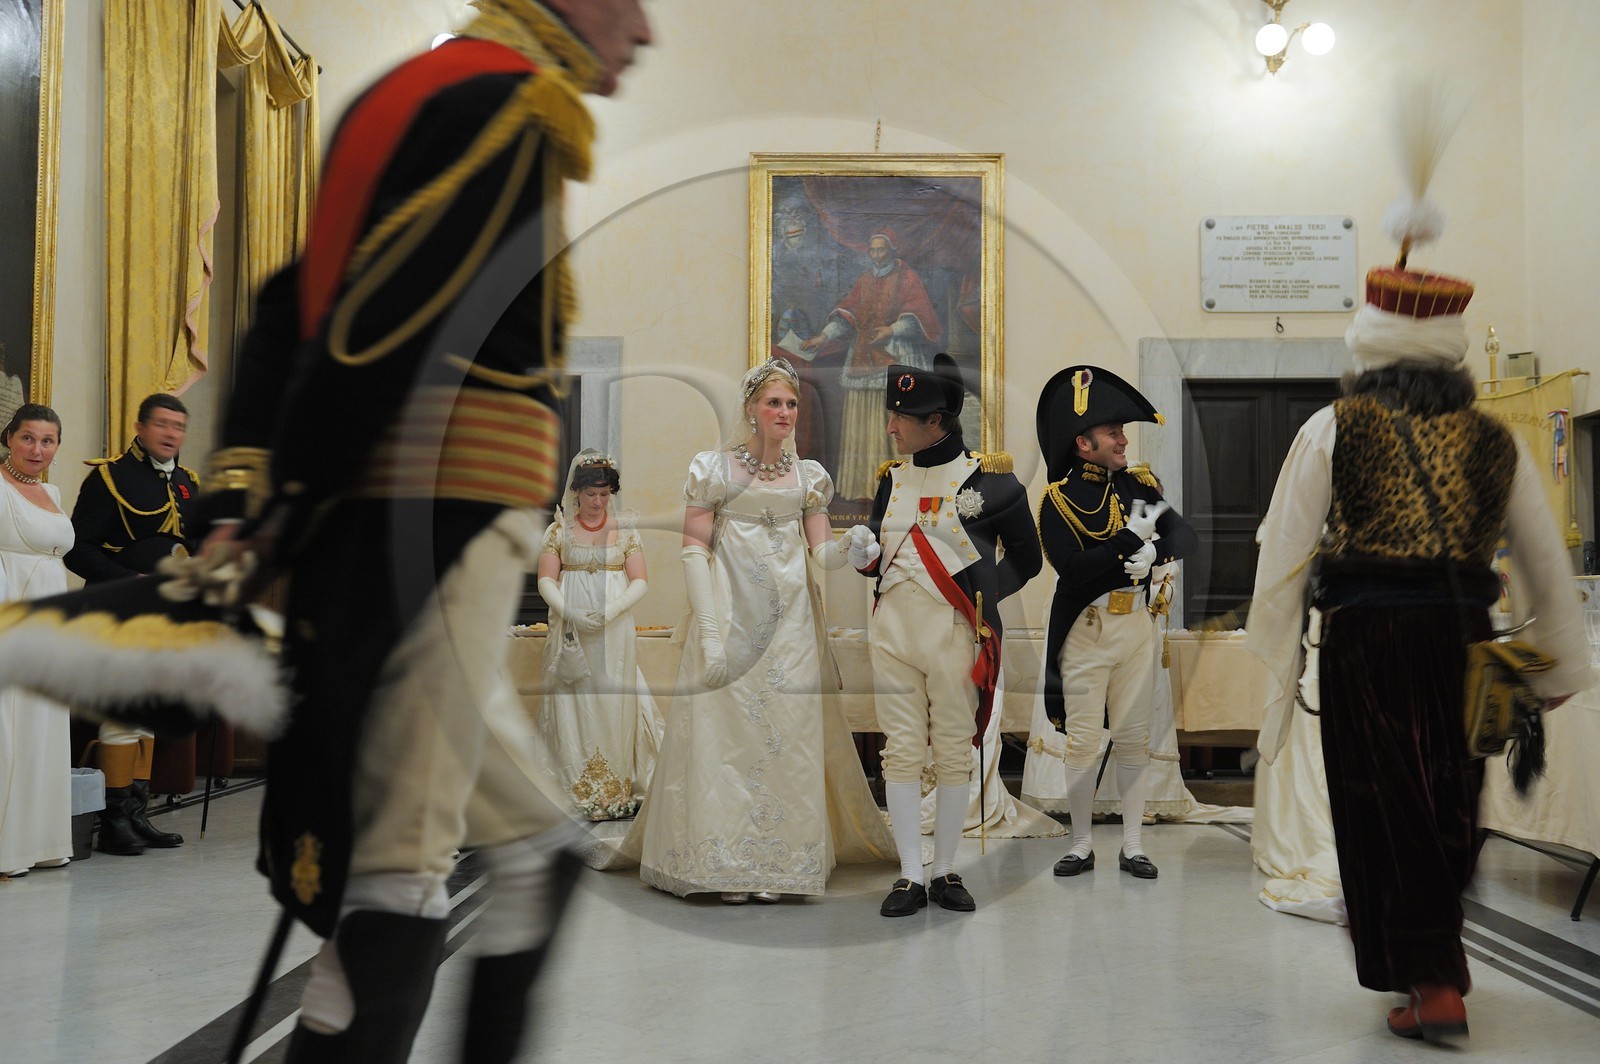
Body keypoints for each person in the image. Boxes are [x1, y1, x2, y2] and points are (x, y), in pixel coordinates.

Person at [202, 2, 654, 1060]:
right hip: (435, 519)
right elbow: (377, 324)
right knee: (402, 858)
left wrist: (251, 482)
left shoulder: (409, 91)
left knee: (520, 832)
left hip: (405, 512)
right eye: (632, 6)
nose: (644, 35)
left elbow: (295, 301)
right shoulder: (508, 104)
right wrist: (288, 505)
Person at [1245, 262, 1592, 1042]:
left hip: (1368, 641)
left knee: (1380, 801)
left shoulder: (1334, 425)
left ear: (1371, 350)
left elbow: (1284, 552)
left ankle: (1431, 981)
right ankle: (1431, 967)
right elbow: (1543, 559)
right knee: (1448, 798)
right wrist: (1556, 668)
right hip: (1468, 638)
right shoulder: (1495, 438)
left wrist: (1277, 653)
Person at [630, 356, 895, 903]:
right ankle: (725, 864)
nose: (784, 411)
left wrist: (853, 547)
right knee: (725, 735)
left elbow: (821, 555)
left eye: (792, 403)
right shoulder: (713, 470)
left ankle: (777, 863)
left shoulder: (810, 477)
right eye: (773, 401)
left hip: (791, 627)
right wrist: (708, 634)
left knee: (787, 733)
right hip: (729, 617)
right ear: (751, 408)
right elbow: (692, 554)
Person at [852, 353, 1042, 917]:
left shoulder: (994, 482)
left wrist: (981, 605)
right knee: (901, 752)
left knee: (955, 754)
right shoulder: (891, 482)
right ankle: (910, 873)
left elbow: (1027, 560)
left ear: (937, 421)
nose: (890, 426)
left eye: (902, 417)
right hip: (892, 635)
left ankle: (945, 869)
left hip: (956, 634)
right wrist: (864, 557)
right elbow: (885, 555)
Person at [1034, 366, 1196, 882]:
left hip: (1134, 630)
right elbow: (1072, 569)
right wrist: (1128, 544)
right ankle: (1081, 844)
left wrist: (1154, 553)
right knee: (1083, 740)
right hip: (1086, 630)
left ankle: (1132, 844)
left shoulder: (1138, 487)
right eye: (1112, 432)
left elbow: (1185, 537)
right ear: (1084, 443)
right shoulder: (1058, 499)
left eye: (1122, 431)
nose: (1123, 439)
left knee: (1132, 737)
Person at [64, 392, 195, 854]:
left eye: (178, 426)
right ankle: (114, 820)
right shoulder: (110, 477)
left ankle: (137, 815)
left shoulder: (186, 483)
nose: (170, 433)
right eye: (162, 424)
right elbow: (77, 549)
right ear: (140, 427)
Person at [533, 449, 662, 820]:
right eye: (591, 494)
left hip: (614, 631)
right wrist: (570, 612)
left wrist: (612, 611)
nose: (598, 501)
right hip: (571, 630)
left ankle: (614, 789)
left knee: (611, 701)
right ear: (576, 492)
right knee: (574, 702)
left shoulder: (626, 530)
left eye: (605, 494)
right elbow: (545, 579)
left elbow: (639, 581)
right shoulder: (558, 531)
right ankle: (574, 790)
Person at [801, 229, 942, 501]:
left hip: (897, 352)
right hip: (863, 353)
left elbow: (919, 317)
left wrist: (892, 330)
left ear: (891, 250)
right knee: (864, 414)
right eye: (873, 250)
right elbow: (849, 312)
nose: (877, 255)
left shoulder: (908, 277)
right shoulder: (865, 280)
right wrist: (824, 335)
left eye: (882, 250)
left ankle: (904, 489)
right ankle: (864, 485)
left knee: (894, 413)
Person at [0, 404, 74, 878]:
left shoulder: (51, 490)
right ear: (8, 437)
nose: (37, 449)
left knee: (43, 725)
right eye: (28, 438)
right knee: (8, 726)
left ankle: (40, 841)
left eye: (47, 441)